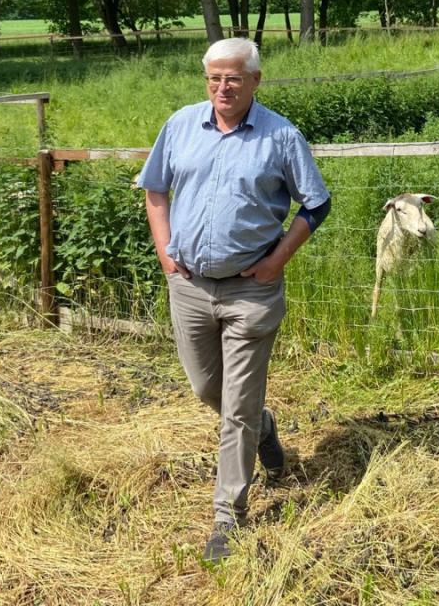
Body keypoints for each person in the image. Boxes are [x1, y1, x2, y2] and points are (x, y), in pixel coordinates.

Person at [137, 37, 331, 564]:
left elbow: (317, 203)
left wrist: (277, 260)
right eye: (214, 78)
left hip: (251, 291)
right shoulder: (181, 125)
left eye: (233, 79)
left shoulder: (280, 136)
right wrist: (166, 253)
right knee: (207, 388)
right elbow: (155, 190)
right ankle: (263, 428)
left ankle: (228, 516)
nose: (222, 88)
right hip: (190, 287)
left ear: (255, 81)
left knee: (237, 406)